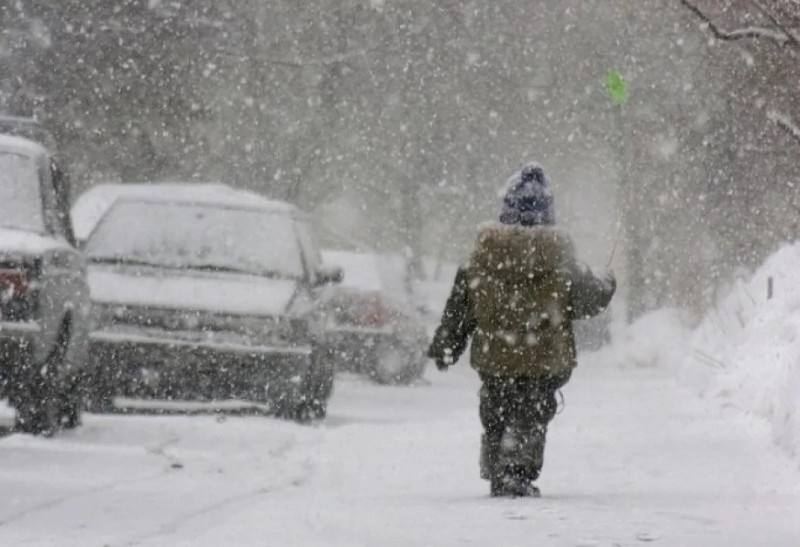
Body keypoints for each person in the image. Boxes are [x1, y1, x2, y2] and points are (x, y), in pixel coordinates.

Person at [427, 163, 615, 498]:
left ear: (506, 212)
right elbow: (590, 300)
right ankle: (518, 470)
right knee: (534, 411)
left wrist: (447, 346)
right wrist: (607, 281)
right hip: (544, 359)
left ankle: (498, 464)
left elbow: (460, 310)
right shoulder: (562, 261)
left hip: (495, 358)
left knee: (496, 406)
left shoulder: (479, 260)